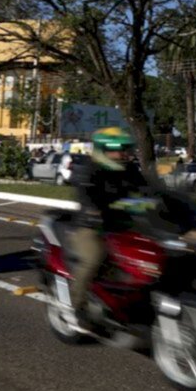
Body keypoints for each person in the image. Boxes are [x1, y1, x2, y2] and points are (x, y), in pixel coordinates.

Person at [68, 126, 147, 330]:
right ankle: (78, 307)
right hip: (92, 227)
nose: (123, 153)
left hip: (123, 226)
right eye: (118, 149)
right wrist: (94, 210)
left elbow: (146, 191)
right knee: (95, 257)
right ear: (103, 149)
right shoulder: (89, 168)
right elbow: (85, 191)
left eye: (125, 149)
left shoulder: (129, 169)